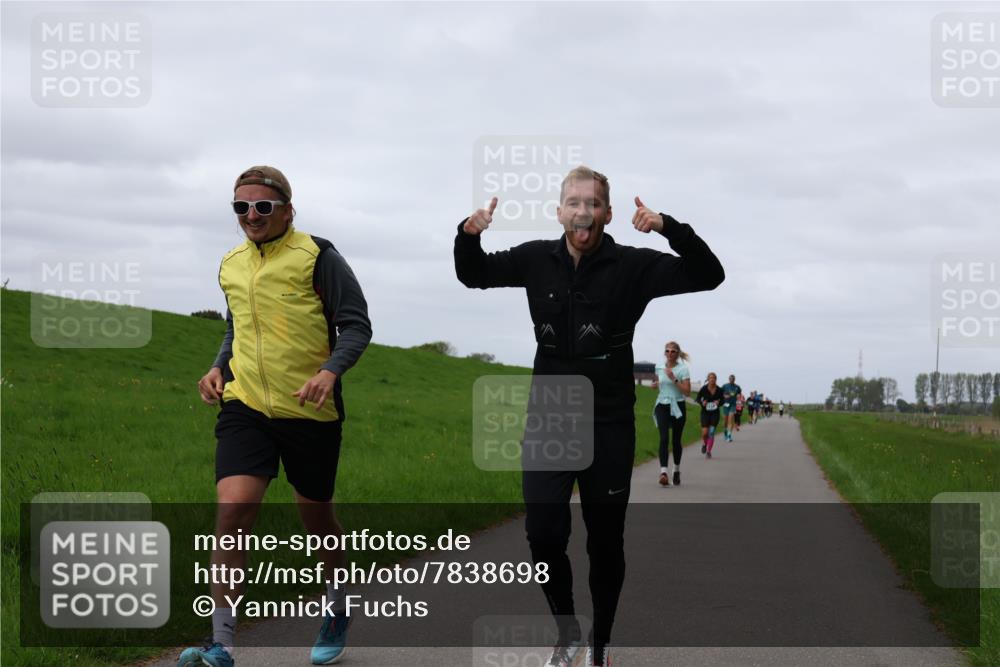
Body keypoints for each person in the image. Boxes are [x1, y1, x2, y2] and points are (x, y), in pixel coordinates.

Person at [454, 166, 724, 667]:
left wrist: (667, 226)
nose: (584, 211)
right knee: (544, 533)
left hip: (610, 422)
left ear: (609, 214)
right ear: (559, 211)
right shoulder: (537, 259)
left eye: (594, 203)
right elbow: (473, 274)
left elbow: (710, 275)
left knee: (604, 541)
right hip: (551, 417)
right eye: (574, 202)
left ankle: (600, 646)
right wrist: (468, 234)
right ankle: (567, 632)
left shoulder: (633, 265)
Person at [184, 166, 373, 667]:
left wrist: (331, 372)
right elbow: (237, 327)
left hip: (309, 411)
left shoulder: (318, 257)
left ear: (288, 210)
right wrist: (219, 367)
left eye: (263, 207)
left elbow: (356, 324)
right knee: (233, 510)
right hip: (246, 407)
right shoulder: (230, 264)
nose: (251, 215)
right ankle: (221, 644)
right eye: (241, 207)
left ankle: (336, 608)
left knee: (317, 518)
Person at [652, 341, 692, 487]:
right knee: (663, 438)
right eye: (667, 351)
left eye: (673, 351)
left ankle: (676, 470)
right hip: (662, 404)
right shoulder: (659, 367)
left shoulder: (683, 369)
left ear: (678, 353)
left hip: (678, 406)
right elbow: (660, 384)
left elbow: (687, 392)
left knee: (676, 441)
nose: (670, 354)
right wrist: (655, 385)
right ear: (664, 353)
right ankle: (663, 472)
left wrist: (674, 379)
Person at [697, 373, 724, 458]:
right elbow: (697, 398)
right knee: (705, 433)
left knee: (711, 432)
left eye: (713, 378)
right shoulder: (704, 389)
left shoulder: (719, 390)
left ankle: (708, 451)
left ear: (715, 379)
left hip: (715, 413)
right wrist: (702, 402)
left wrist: (719, 402)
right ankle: (704, 443)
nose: (712, 379)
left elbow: (723, 400)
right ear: (708, 379)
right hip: (705, 412)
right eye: (710, 378)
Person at [721, 374, 742, 442]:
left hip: (733, 405)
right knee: (725, 421)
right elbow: (720, 393)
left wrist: (738, 398)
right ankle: (725, 433)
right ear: (728, 379)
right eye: (730, 379)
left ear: (734, 379)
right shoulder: (725, 386)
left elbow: (739, 394)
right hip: (726, 404)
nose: (731, 380)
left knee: (730, 419)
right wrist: (724, 396)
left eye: (732, 379)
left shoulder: (737, 387)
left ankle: (729, 436)